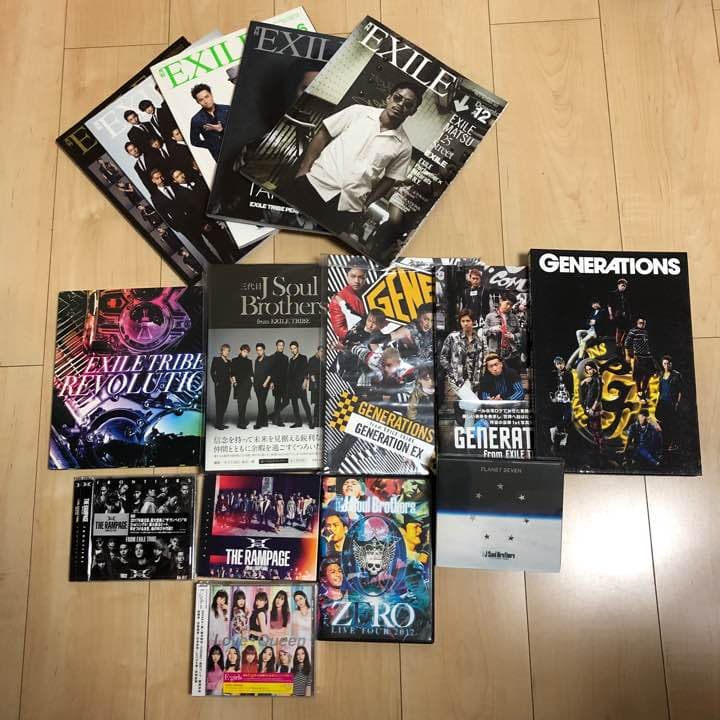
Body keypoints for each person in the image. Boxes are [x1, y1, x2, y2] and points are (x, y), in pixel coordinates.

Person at [290, 82, 421, 241]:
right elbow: (324, 134)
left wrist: (367, 203)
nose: (400, 104)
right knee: (284, 225)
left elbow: (390, 179)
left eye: (408, 104)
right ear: (389, 98)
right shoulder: (358, 112)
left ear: (413, 111)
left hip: (347, 206)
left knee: (314, 243)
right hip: (315, 183)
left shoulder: (404, 146)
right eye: (397, 98)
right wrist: (304, 169)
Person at [439, 309, 486, 400]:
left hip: (474, 380)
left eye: (468, 321)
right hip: (456, 379)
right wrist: (451, 371)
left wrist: (480, 376)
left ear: (473, 321)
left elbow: (483, 358)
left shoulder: (479, 339)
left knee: (469, 406)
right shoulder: (453, 337)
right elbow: (443, 357)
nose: (465, 323)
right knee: (472, 403)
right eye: (463, 321)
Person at [328, 261, 368, 342]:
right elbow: (339, 329)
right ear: (347, 276)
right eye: (353, 276)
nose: (357, 280)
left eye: (361, 277)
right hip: (353, 342)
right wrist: (357, 334)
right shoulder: (338, 299)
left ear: (365, 277)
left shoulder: (373, 291)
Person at [189, 83, 230, 162]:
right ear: (197, 102)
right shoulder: (196, 120)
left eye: (207, 96)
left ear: (211, 95)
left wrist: (222, 130)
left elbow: (238, 129)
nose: (205, 101)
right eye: (201, 100)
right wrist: (212, 144)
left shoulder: (227, 109)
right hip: (220, 156)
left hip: (238, 150)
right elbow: (194, 141)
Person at [484, 292, 522, 372]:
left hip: (511, 354)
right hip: (495, 354)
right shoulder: (490, 316)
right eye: (507, 303)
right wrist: (492, 329)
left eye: (511, 305)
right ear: (501, 300)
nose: (509, 307)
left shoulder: (514, 318)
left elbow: (519, 333)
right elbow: (484, 331)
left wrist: (513, 336)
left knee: (512, 376)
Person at [624, 317, 656, 401]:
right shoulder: (633, 331)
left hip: (647, 356)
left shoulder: (645, 332)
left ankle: (643, 390)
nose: (642, 325)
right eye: (641, 323)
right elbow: (626, 344)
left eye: (644, 323)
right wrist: (627, 355)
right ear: (637, 323)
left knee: (649, 373)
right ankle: (639, 391)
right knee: (638, 375)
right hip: (638, 356)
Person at [655, 355, 683, 451]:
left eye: (668, 364)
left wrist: (677, 403)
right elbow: (659, 390)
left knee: (671, 424)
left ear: (671, 364)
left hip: (671, 402)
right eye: (664, 364)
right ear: (662, 364)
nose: (666, 366)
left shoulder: (676, 375)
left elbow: (680, 391)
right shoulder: (661, 374)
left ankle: (673, 444)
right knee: (663, 423)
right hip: (662, 402)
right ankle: (664, 444)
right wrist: (657, 402)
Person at [580, 360, 605, 453]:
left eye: (590, 369)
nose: (589, 371)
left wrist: (593, 408)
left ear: (594, 369)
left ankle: (601, 449)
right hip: (589, 406)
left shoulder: (598, 379)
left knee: (597, 428)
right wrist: (584, 382)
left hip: (595, 407)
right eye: (587, 370)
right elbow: (587, 394)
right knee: (592, 428)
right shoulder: (591, 379)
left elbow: (599, 395)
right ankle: (597, 448)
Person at [549, 356, 574, 449]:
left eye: (561, 364)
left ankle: (556, 429)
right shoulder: (553, 373)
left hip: (566, 396)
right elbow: (550, 386)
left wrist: (572, 396)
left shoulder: (568, 373)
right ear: (555, 365)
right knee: (559, 417)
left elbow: (571, 386)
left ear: (564, 363)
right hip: (557, 396)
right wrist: (552, 396)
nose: (560, 366)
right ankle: (560, 438)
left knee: (568, 417)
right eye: (558, 364)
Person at [287, 340, 313, 428]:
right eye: (291, 349)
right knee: (294, 404)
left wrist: (305, 382)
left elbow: (307, 370)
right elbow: (290, 374)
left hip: (301, 384)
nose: (293, 350)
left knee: (305, 403)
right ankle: (298, 422)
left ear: (297, 348)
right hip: (292, 386)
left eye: (294, 348)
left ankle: (310, 422)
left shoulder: (303, 358)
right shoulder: (291, 360)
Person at [210, 343, 233, 430]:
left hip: (227, 386)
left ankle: (220, 423)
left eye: (228, 351)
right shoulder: (216, 359)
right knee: (219, 404)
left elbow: (230, 373)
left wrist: (231, 380)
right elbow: (212, 372)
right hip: (219, 386)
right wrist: (216, 382)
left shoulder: (229, 362)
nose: (226, 352)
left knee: (224, 404)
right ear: (221, 351)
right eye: (225, 350)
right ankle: (218, 424)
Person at [231, 344, 253, 429]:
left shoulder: (249, 361)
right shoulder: (234, 360)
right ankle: (241, 422)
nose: (245, 353)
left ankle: (242, 420)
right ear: (240, 351)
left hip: (247, 385)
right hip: (238, 385)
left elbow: (251, 374)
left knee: (244, 404)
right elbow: (232, 373)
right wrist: (234, 383)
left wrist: (252, 384)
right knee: (240, 404)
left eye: (247, 352)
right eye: (244, 351)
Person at [269, 339, 289, 426]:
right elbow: (270, 371)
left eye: (282, 345)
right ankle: (277, 421)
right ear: (276, 346)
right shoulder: (272, 357)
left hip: (284, 383)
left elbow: (287, 372)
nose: (281, 347)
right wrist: (271, 382)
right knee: (277, 401)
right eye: (279, 345)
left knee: (286, 401)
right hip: (276, 382)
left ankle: (273, 415)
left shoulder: (286, 358)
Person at [608, 278, 632, 348]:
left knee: (627, 329)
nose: (623, 287)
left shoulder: (625, 294)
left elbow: (627, 305)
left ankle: (621, 342)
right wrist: (610, 314)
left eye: (625, 286)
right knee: (619, 329)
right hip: (617, 314)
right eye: (622, 285)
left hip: (625, 315)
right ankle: (618, 343)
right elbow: (609, 305)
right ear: (618, 285)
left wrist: (628, 314)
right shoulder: (613, 293)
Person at [253, 343, 272, 429]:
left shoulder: (268, 360)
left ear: (264, 350)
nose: (259, 351)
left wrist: (266, 383)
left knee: (261, 403)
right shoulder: (256, 360)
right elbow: (256, 373)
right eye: (257, 350)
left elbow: (270, 373)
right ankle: (265, 421)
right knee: (261, 403)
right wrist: (254, 384)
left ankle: (259, 422)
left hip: (264, 385)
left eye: (260, 350)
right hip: (257, 385)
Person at [307, 346, 323, 427]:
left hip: (322, 384)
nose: (322, 353)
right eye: (321, 351)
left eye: (323, 352)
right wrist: (315, 383)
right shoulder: (312, 359)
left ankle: (320, 420)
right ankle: (315, 421)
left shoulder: (322, 360)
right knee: (317, 403)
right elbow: (311, 372)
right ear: (318, 351)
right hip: (315, 384)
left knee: (321, 403)